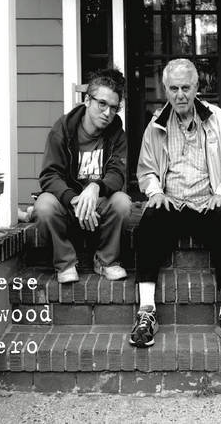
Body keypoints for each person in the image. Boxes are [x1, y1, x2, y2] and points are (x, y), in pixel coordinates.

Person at [128, 58, 221, 350]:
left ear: (196, 88)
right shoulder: (156, 124)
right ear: (165, 90)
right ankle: (146, 312)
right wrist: (155, 192)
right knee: (149, 223)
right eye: (174, 88)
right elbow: (146, 169)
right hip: (172, 204)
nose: (180, 94)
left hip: (207, 202)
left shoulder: (217, 118)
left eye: (185, 87)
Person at [35, 68, 131, 283]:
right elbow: (50, 175)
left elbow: (117, 174)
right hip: (68, 204)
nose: (107, 113)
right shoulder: (63, 129)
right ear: (87, 100)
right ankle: (66, 263)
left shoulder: (117, 134)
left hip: (98, 204)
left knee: (122, 202)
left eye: (114, 107)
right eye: (102, 104)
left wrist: (96, 187)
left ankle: (106, 261)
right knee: (44, 206)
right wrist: (74, 200)